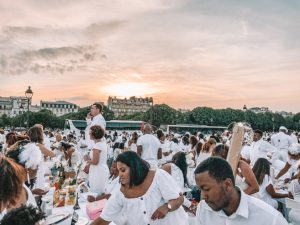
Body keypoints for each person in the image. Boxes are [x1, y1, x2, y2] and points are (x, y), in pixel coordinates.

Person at [90, 151, 188, 225]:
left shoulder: (158, 176)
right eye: (119, 171)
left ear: (134, 167)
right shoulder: (121, 193)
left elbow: (180, 199)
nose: (120, 175)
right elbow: (103, 219)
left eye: (123, 170)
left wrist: (167, 207)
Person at [194, 157, 288, 225]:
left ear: (227, 185)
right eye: (200, 190)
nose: (202, 197)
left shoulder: (270, 218)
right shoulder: (203, 209)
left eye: (206, 189)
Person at [84, 125, 109, 195]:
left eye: (90, 133)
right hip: (101, 169)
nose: (89, 134)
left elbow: (95, 162)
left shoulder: (97, 146)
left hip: (98, 171)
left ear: (94, 134)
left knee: (96, 191)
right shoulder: (102, 143)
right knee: (101, 190)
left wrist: (87, 160)